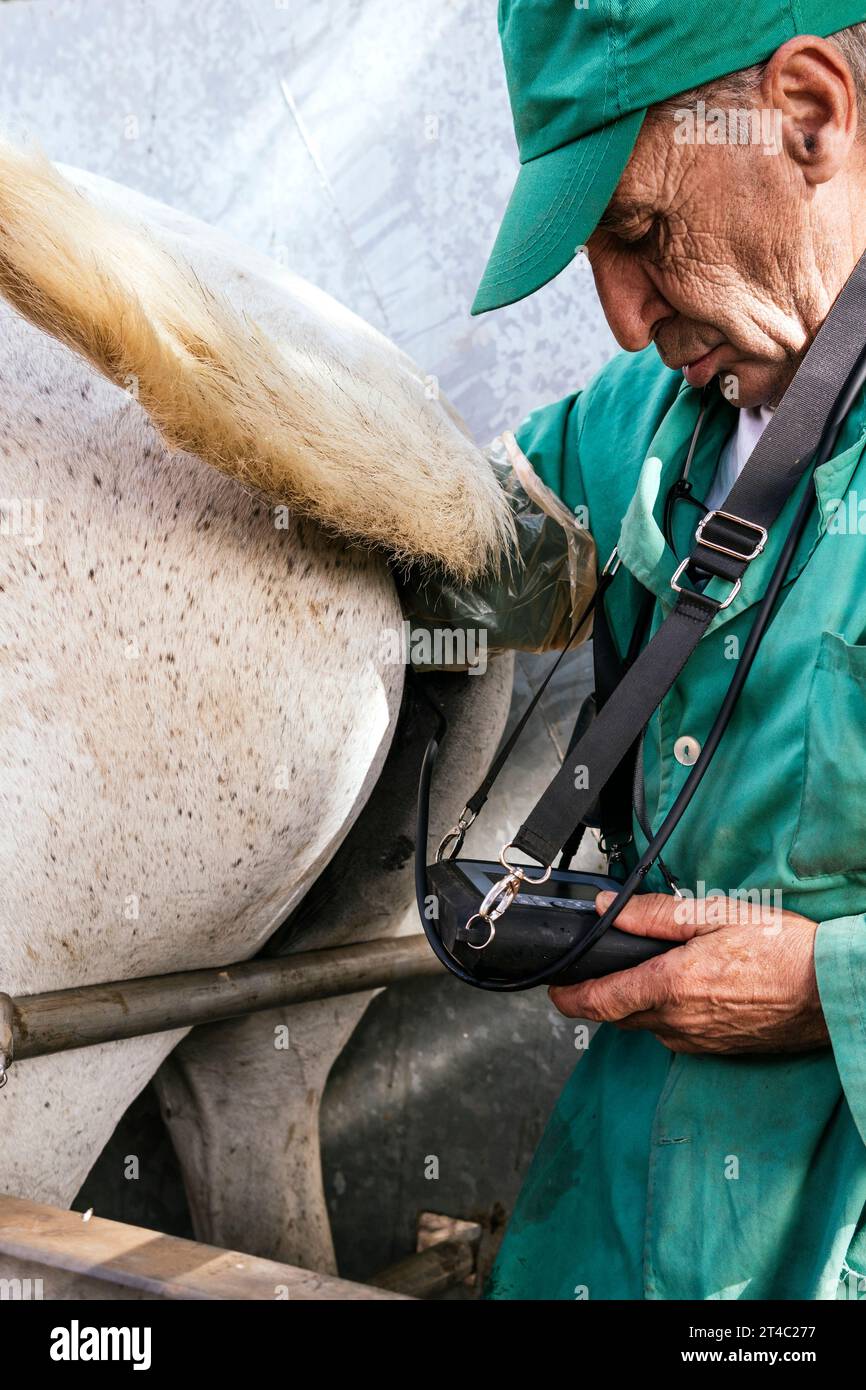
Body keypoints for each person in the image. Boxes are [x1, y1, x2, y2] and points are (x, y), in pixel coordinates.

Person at [438, 0, 866, 1299]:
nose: (623, 319)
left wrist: (825, 987)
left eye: (638, 230)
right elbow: (441, 560)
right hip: (598, 1244)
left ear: (805, 115)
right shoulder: (635, 423)